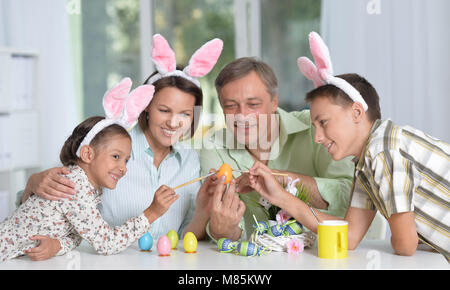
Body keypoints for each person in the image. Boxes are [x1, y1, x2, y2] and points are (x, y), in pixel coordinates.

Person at [15, 34, 223, 260]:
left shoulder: (191, 161)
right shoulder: (109, 148)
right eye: (164, 110)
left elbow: (187, 237)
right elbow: (45, 202)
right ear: (145, 107)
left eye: (184, 114)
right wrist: (32, 183)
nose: (174, 123)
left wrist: (204, 210)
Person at [248, 32, 449, 261]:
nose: (317, 138)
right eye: (315, 127)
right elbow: (350, 235)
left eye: (323, 123)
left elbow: (405, 245)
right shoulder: (366, 164)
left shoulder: (383, 151)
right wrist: (281, 197)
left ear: (356, 112)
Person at [0, 80, 171, 262]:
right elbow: (107, 243)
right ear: (88, 154)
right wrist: (152, 213)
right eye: (115, 156)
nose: (123, 167)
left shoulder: (86, 187)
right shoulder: (74, 186)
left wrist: (57, 245)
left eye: (126, 160)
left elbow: (76, 235)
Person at [201, 56, 355, 242]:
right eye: (231, 106)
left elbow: (351, 195)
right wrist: (222, 231)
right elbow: (229, 235)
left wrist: (281, 179)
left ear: (274, 102)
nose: (242, 116)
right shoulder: (214, 146)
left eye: (253, 105)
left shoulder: (315, 127)